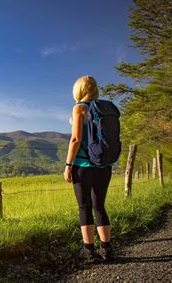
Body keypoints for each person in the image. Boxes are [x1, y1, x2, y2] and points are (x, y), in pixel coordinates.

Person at [64, 75, 114, 263]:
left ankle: (88, 251)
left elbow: (76, 139)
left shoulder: (79, 108)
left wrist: (68, 164)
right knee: (99, 206)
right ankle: (107, 250)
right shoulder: (104, 109)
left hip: (83, 165)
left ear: (79, 90)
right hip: (104, 165)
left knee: (84, 206)